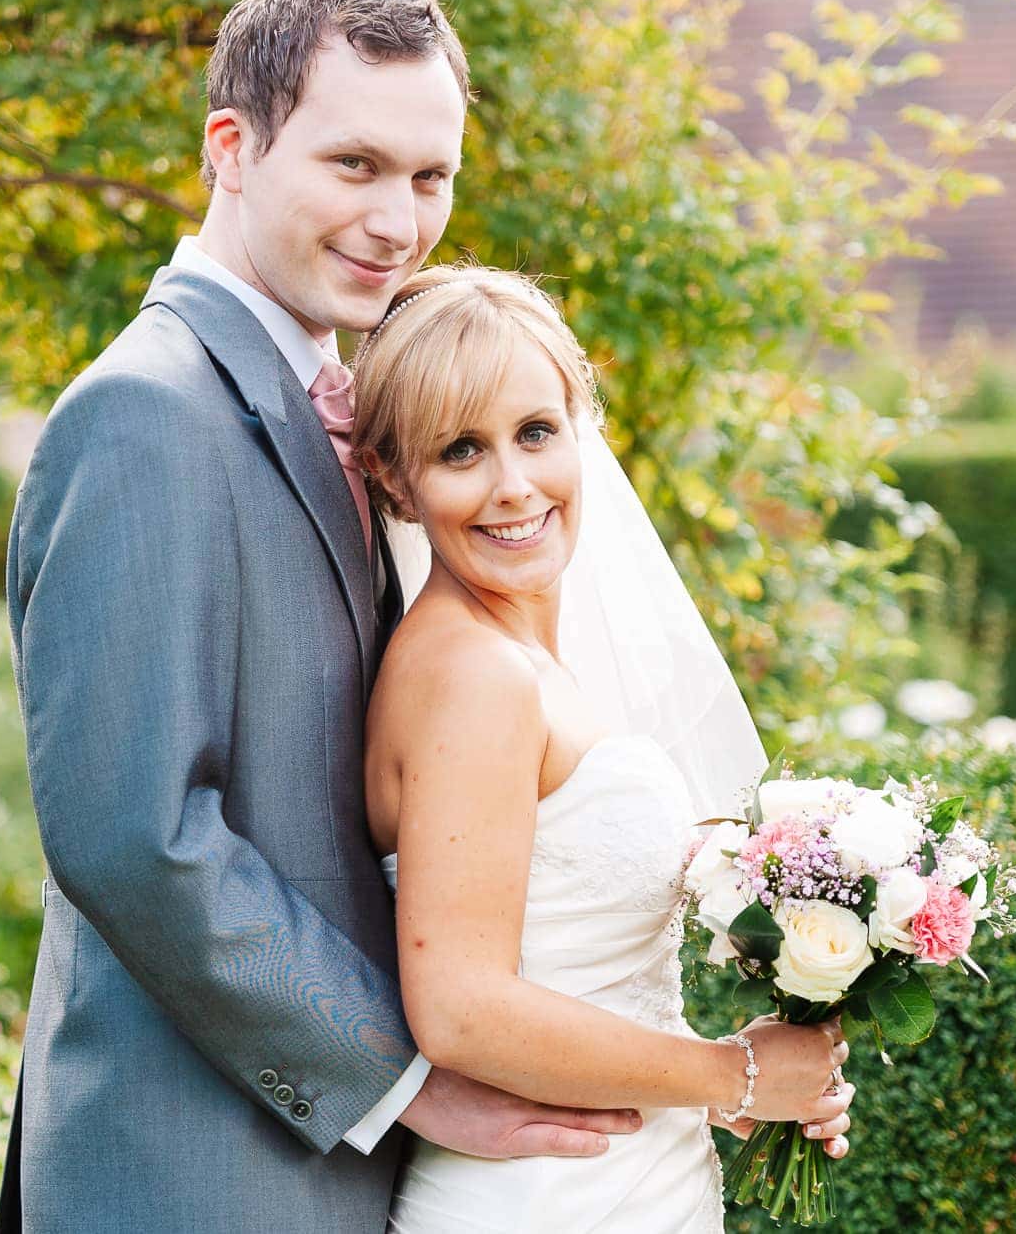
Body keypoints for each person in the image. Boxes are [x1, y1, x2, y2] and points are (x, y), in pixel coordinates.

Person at [0, 0, 650, 1232]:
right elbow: (134, 835)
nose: (400, 222)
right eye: (354, 166)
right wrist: (403, 1080)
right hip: (197, 1173)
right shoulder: (146, 414)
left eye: (429, 177)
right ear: (230, 149)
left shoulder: (346, 407)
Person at [351, 264, 855, 1231]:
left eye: (536, 433)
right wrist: (737, 1071)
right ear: (396, 481)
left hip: (628, 1181)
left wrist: (726, 1088)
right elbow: (460, 1007)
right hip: (543, 1201)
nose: (515, 485)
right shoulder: (475, 678)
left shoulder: (522, 659)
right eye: (461, 450)